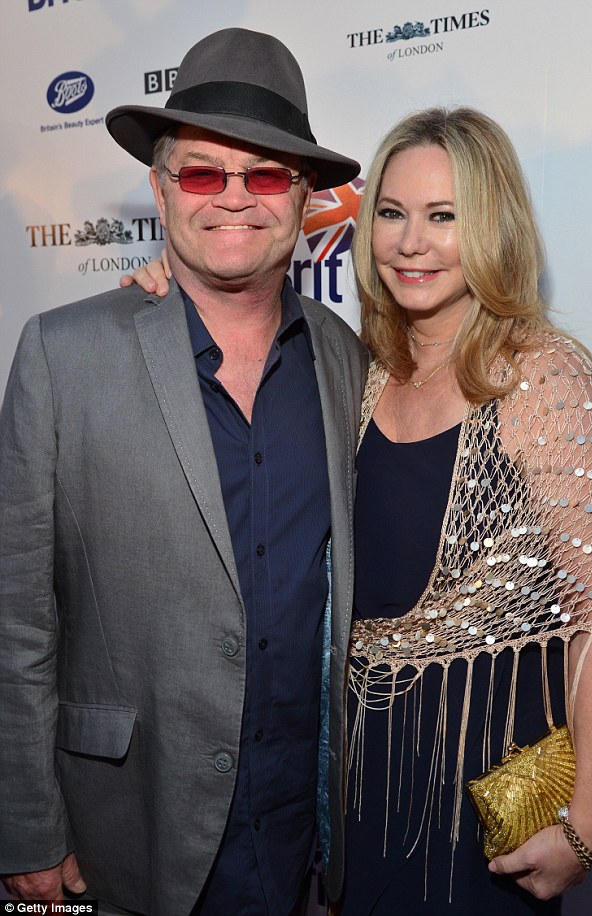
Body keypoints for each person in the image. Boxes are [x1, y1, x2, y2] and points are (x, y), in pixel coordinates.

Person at [127, 107, 592, 916]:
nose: (410, 241)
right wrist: (163, 292)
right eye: (392, 214)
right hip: (356, 782)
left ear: (492, 226)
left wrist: (589, 823)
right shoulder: (361, 366)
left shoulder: (541, 375)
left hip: (483, 798)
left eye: (444, 217)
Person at [0, 28, 368, 916]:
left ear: (305, 197)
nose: (234, 199)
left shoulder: (346, 357)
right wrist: (26, 826)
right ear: (162, 191)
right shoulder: (63, 353)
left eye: (265, 175)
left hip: (301, 832)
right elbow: (17, 620)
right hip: (129, 828)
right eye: (202, 173)